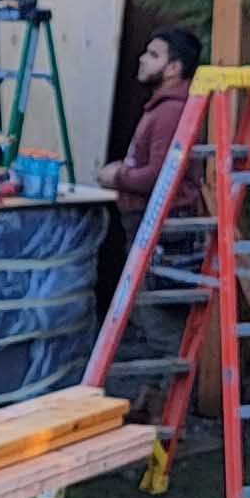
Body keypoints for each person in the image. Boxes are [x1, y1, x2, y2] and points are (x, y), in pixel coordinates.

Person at [98, 25, 204, 407]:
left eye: (154, 54)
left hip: (158, 226)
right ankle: (155, 404)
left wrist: (117, 176)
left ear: (174, 67)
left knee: (156, 319)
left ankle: (165, 410)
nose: (143, 59)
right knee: (151, 315)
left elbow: (163, 175)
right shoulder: (163, 107)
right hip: (146, 222)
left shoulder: (170, 112)